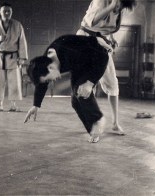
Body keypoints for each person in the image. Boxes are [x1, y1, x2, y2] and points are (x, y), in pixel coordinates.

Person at [24, 35, 111, 143]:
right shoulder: (45, 62)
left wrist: (90, 82)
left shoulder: (66, 49)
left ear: (50, 68)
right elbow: (42, 83)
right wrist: (36, 105)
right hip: (79, 64)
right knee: (75, 102)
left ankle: (98, 119)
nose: (51, 81)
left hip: (97, 56)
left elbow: (103, 56)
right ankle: (93, 131)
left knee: (81, 90)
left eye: (48, 79)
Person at [76, 0, 136, 135]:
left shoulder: (120, 7)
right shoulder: (101, 1)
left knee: (113, 83)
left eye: (122, 7)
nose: (119, 9)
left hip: (101, 41)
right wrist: (111, 6)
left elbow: (105, 27)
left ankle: (115, 123)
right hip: (85, 39)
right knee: (86, 83)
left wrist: (111, 38)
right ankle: (91, 120)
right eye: (119, 5)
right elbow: (92, 21)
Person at [0, 2, 28, 112]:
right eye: (4, 11)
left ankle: (13, 105)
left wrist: (22, 57)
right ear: (0, 12)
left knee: (14, 82)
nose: (6, 13)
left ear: (11, 12)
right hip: (0, 57)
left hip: (13, 57)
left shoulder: (17, 25)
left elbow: (22, 42)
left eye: (8, 11)